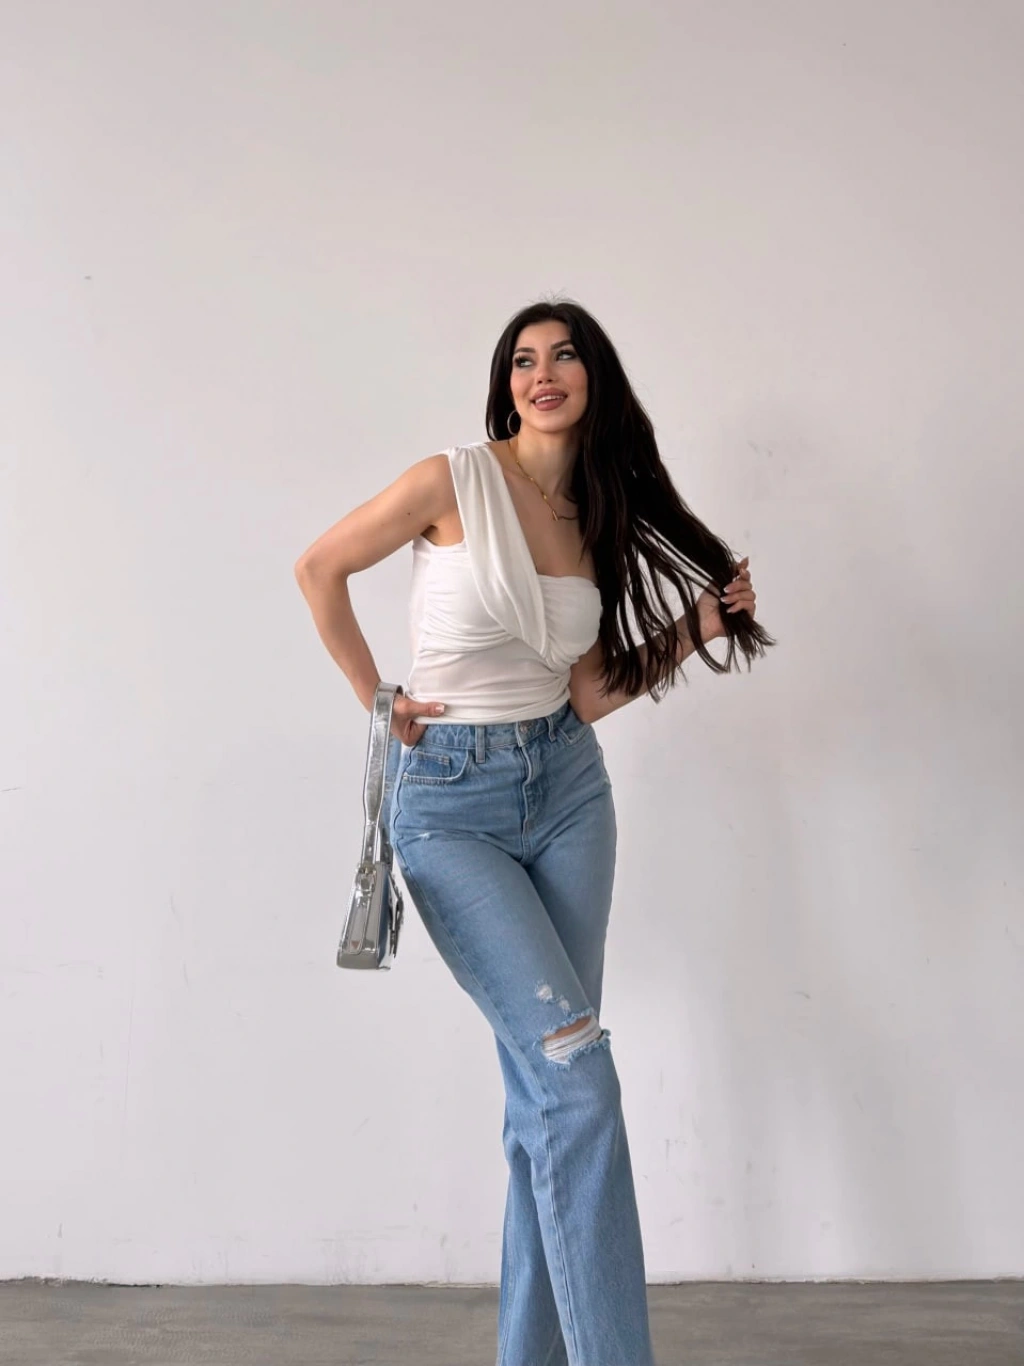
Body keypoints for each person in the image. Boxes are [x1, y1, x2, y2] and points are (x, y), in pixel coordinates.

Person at [294, 298, 774, 1366]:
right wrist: (379, 698)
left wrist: (696, 626)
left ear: (593, 378)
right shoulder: (450, 481)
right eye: (522, 359)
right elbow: (318, 569)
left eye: (562, 356)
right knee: (577, 1080)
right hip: (449, 805)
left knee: (545, 1104)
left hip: (566, 795)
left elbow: (587, 692)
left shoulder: (590, 515)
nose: (541, 373)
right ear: (505, 383)